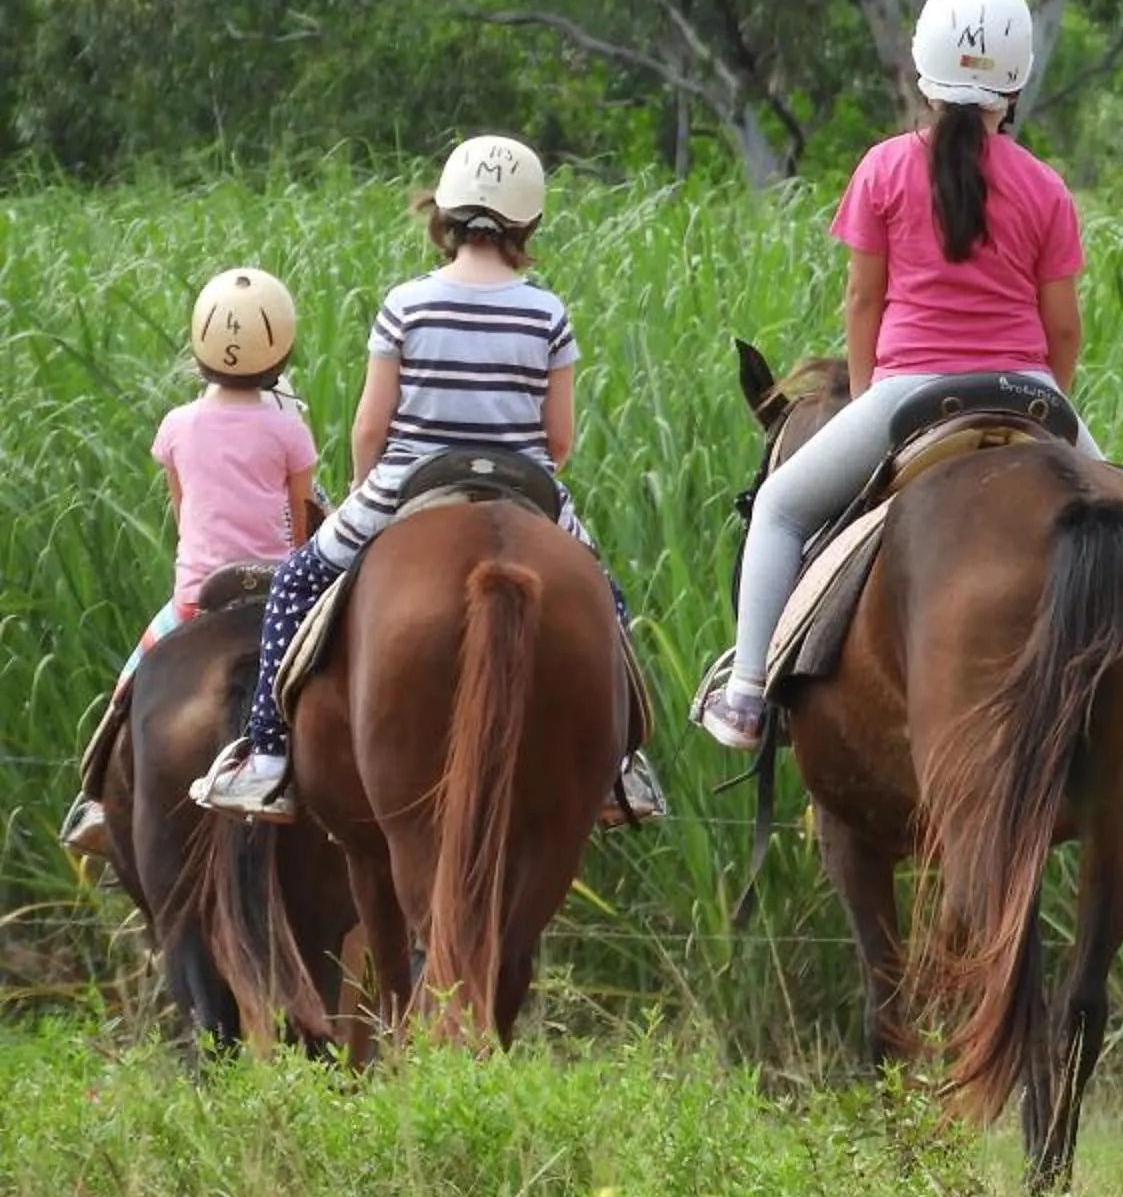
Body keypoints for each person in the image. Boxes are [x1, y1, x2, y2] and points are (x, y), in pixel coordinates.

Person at [192, 137, 667, 826]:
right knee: (605, 598)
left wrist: (364, 491)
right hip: (523, 482)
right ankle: (621, 767)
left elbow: (368, 426)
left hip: (409, 479)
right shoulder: (548, 313)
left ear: (446, 212)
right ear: (527, 222)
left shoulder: (406, 302)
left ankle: (266, 756)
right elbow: (558, 437)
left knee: (295, 581)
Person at [692, 0, 1098, 752]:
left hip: (911, 395)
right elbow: (1065, 330)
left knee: (779, 507)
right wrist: (1049, 403)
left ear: (924, 71)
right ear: (1013, 83)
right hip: (1031, 395)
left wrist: (872, 398)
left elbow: (861, 304)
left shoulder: (882, 169)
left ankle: (745, 694)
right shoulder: (1046, 188)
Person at [58, 267, 321, 857]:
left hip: (197, 593)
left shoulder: (177, 426)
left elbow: (183, 511)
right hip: (278, 591)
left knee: (135, 675)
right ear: (281, 345)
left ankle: (98, 797)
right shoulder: (287, 429)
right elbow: (300, 522)